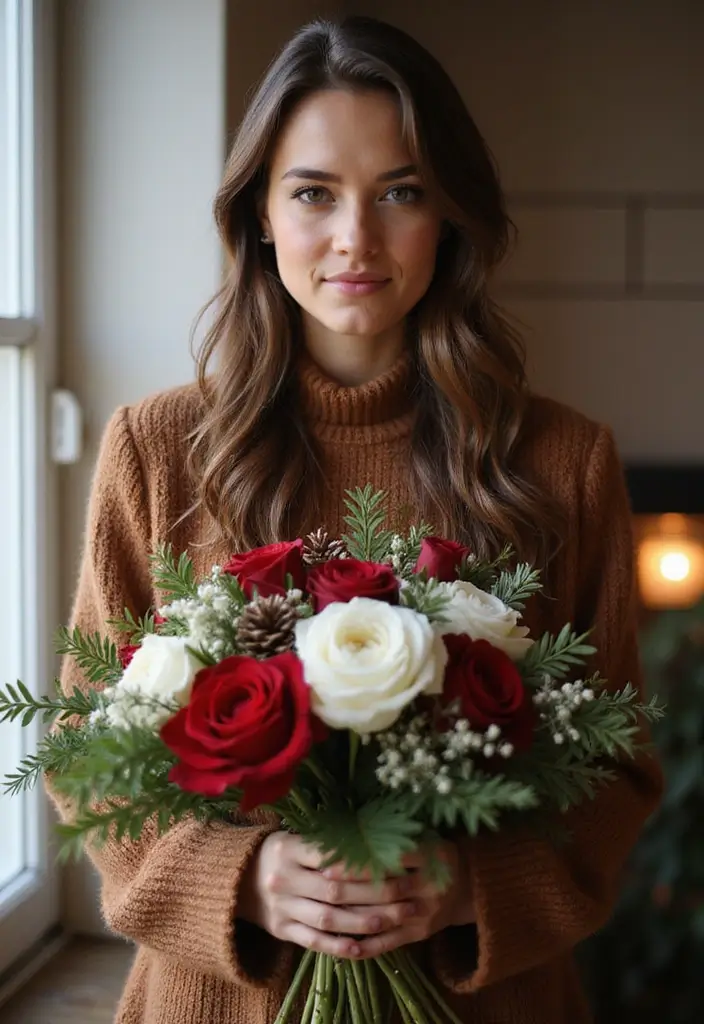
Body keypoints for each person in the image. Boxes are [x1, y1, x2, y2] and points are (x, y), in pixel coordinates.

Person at [49, 15, 662, 1024]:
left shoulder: (561, 463)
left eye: (401, 193)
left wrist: (470, 884)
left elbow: (614, 770)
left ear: (450, 216)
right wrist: (237, 876)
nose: (355, 240)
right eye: (313, 193)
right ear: (257, 214)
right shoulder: (156, 449)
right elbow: (84, 748)